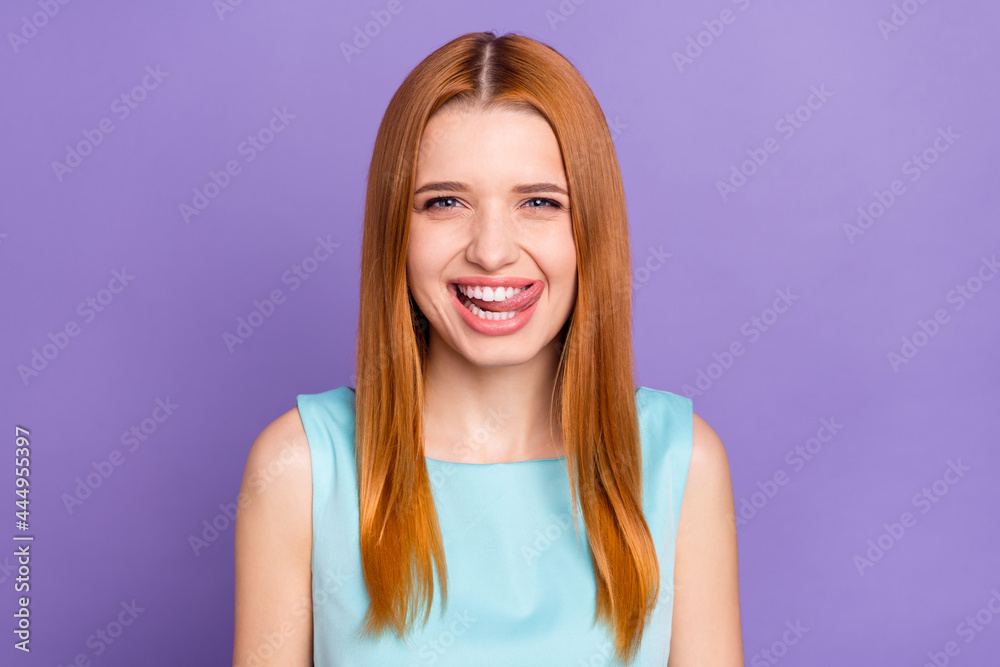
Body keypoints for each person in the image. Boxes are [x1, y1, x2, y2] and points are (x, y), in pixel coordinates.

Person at [233, 31, 743, 666]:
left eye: (540, 202)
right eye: (445, 202)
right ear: (396, 230)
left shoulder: (678, 462)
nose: (492, 251)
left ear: (591, 229)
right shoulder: (301, 468)